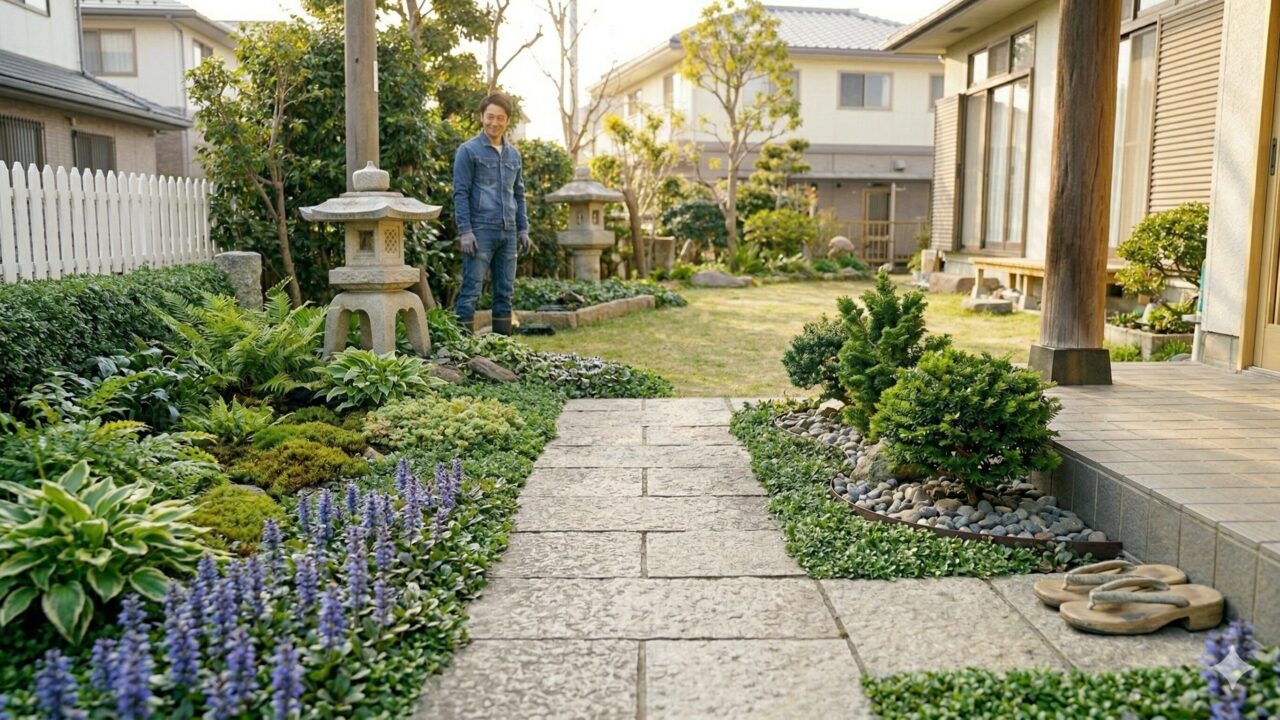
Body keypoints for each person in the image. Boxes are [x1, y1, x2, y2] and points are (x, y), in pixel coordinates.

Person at [452, 92, 530, 336]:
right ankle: (460, 350)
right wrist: (465, 231)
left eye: (500, 118)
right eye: (490, 117)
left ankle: (501, 347)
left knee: (505, 292)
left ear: (508, 121)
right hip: (480, 231)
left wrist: (523, 228)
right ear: (482, 117)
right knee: (471, 289)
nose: (494, 123)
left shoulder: (513, 156)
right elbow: (460, 193)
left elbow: (518, 194)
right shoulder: (468, 151)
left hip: (508, 233)